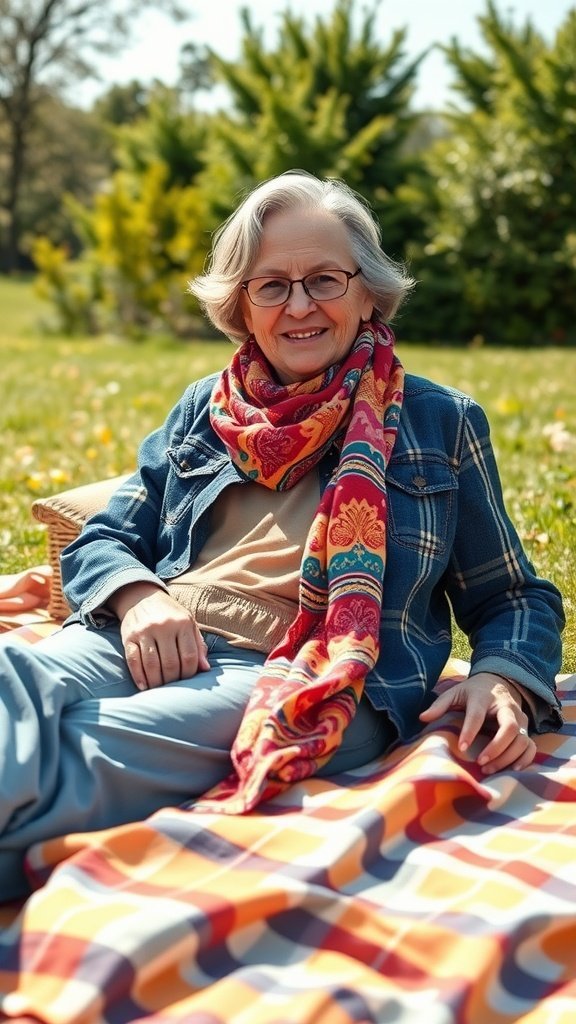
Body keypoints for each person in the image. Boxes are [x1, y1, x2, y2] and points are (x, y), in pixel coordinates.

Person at [0, 170, 564, 901]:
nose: (300, 306)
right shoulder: (205, 407)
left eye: (325, 280)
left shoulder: (437, 420)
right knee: (15, 674)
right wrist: (139, 595)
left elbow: (515, 594)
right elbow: (103, 538)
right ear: (243, 305)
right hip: (154, 631)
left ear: (369, 292)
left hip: (314, 669)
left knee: (94, 746)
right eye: (272, 286)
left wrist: (500, 676)